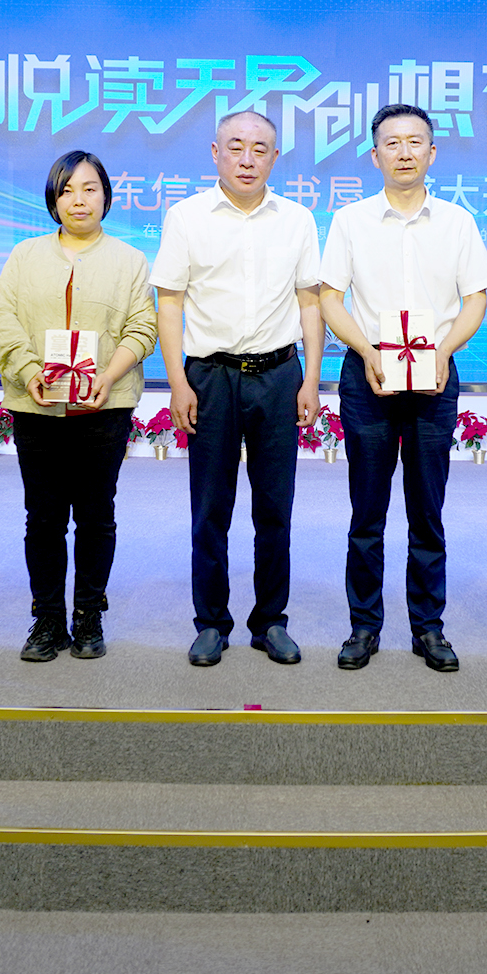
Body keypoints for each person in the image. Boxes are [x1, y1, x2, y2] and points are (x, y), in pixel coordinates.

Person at [319, 104, 487, 672]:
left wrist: (443, 351)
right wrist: (368, 351)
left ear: (432, 153)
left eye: (415, 141)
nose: (404, 152)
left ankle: (429, 628)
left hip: (435, 374)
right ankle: (363, 626)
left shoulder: (457, 222)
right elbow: (330, 298)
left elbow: (475, 300)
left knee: (427, 510)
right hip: (368, 373)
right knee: (366, 512)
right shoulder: (350, 220)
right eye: (391, 143)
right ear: (375, 156)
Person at [151, 110, 322, 666]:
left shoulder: (297, 219)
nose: (247, 159)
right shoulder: (186, 216)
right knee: (210, 507)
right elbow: (170, 304)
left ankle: (270, 621)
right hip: (210, 377)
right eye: (236, 147)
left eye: (260, 149)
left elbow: (310, 302)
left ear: (275, 157)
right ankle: (210, 623)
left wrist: (311, 379)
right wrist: (177, 381)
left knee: (275, 508)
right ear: (215, 152)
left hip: (278, 375)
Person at [0, 150, 157, 662]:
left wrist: (108, 376)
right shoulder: (25, 255)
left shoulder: (129, 260)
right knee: (43, 518)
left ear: (106, 196)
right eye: (67, 190)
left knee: (95, 515)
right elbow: (2, 317)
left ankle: (88, 615)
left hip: (104, 407)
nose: (78, 200)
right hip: (36, 406)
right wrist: (29, 371)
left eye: (89, 188)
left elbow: (142, 327)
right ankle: (47, 619)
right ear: (53, 199)